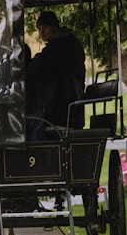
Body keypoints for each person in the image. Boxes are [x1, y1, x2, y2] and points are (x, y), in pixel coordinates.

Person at [25, 11, 86, 141]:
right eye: (39, 29)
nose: (41, 32)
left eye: (45, 28)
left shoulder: (61, 45)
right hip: (63, 99)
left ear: (54, 28)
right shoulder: (63, 43)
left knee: (32, 119)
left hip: (62, 103)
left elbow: (39, 66)